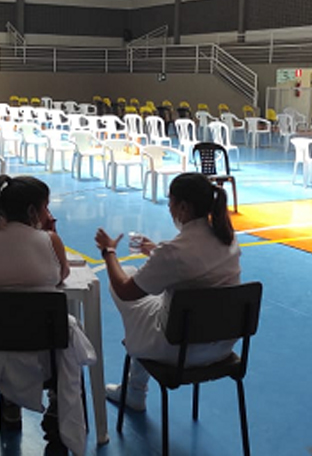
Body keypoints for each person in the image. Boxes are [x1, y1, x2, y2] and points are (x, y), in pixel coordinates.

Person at [0, 175, 95, 455]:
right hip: (44, 360)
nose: (48, 213)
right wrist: (51, 235)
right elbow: (61, 276)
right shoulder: (49, 241)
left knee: (5, 325)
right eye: (46, 207)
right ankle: (56, 409)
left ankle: (9, 402)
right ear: (34, 212)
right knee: (65, 333)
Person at [95, 172, 241, 412]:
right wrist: (156, 254)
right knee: (163, 302)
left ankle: (135, 388)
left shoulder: (173, 252)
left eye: (171, 202)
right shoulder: (228, 240)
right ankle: (134, 384)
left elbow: (125, 291)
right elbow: (191, 267)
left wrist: (109, 252)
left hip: (179, 349)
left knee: (125, 277)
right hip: (222, 345)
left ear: (183, 206)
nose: (170, 208)